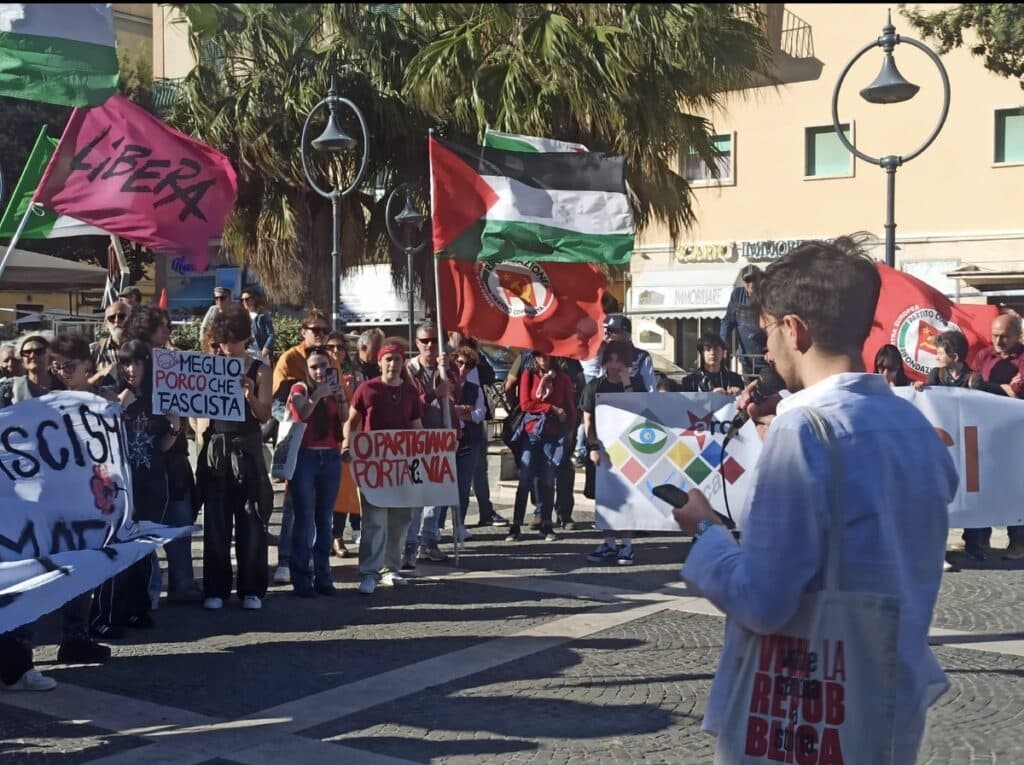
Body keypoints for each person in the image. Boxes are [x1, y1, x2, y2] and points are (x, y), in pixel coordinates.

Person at [673, 237, 957, 764]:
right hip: (889, 698)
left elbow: (764, 599)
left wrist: (708, 533)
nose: (764, 349)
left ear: (794, 328)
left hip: (810, 713)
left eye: (767, 332)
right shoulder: (915, 425)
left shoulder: (802, 430)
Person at [0, 333, 104, 694]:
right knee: (23, 582)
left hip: (62, 501)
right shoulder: (8, 391)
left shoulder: (66, 393)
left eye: (38, 352)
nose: (31, 357)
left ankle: (73, 637)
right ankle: (19, 663)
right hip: (19, 504)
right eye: (25, 352)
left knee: (70, 572)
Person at [90, 341, 181, 636]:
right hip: (119, 485)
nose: (131, 370)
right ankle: (105, 615)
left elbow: (163, 447)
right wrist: (119, 408)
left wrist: (175, 426)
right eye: (126, 364)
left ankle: (135, 609)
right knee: (117, 547)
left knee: (143, 547)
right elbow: (102, 443)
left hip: (152, 479)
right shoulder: (110, 394)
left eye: (137, 363)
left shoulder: (159, 397)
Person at [121, 306, 201, 605]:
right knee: (146, 528)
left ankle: (183, 584)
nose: (168, 331)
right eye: (162, 326)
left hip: (174, 458)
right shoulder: (130, 367)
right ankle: (149, 589)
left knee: (179, 524)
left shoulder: (173, 362)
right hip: (144, 465)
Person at [198, 305, 274, 610]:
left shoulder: (260, 369)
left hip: (247, 446)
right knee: (215, 520)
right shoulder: (211, 365)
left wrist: (250, 394)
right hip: (218, 446)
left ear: (246, 339)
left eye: (234, 341)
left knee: (250, 518)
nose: (228, 347)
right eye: (223, 341)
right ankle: (215, 588)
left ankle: (251, 588)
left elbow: (265, 413)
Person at [343, 343, 424, 594]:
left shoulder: (410, 392)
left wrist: (430, 448)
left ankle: (391, 569)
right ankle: (369, 572)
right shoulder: (367, 389)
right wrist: (347, 444)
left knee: (400, 520)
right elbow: (352, 422)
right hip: (373, 467)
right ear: (380, 362)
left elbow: (416, 426)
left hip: (401, 468)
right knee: (374, 521)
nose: (393, 364)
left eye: (397, 359)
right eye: (388, 359)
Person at [271, 309, 336, 584]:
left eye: (324, 330)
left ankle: (322, 571)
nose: (320, 335)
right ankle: (288, 561)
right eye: (315, 330)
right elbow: (278, 403)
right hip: (302, 446)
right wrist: (292, 427)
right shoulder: (289, 359)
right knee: (297, 509)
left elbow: (340, 406)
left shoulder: (332, 361)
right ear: (303, 332)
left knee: (323, 515)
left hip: (328, 451)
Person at [960, 313, 1024, 560]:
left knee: (1014, 487)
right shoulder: (983, 356)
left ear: (1018, 335)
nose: (998, 340)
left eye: (1004, 336)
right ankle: (980, 538)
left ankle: (1018, 542)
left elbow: (1018, 393)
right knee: (982, 485)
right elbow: (971, 384)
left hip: (1015, 436)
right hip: (983, 432)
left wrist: (989, 387)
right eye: (995, 335)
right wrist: (1004, 387)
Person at [286, 345, 347, 596]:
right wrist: (318, 394)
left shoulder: (332, 389)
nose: (320, 371)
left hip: (330, 456)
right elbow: (302, 412)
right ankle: (301, 578)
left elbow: (343, 418)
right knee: (304, 519)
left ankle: (324, 575)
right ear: (307, 369)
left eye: (323, 366)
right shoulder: (300, 389)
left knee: (325, 519)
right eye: (314, 367)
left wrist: (341, 396)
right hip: (306, 457)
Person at [583, 341, 645, 566]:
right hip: (603, 450)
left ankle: (627, 545)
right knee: (605, 498)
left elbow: (641, 411)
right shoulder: (594, 387)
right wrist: (592, 446)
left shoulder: (636, 384)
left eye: (620, 359)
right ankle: (608, 542)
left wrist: (627, 383)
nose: (615, 364)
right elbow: (587, 420)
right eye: (611, 359)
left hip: (630, 450)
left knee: (628, 498)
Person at [506, 350, 576, 542]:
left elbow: (570, 406)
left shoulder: (562, 379)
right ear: (535, 358)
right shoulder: (529, 375)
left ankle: (547, 523)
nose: (543, 360)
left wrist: (570, 430)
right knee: (525, 478)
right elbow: (526, 404)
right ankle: (516, 524)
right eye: (539, 356)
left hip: (553, 434)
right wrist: (550, 408)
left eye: (546, 356)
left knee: (547, 479)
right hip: (531, 433)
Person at [404, 323, 456, 565]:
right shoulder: (409, 370)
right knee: (417, 495)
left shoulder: (446, 368)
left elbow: (456, 397)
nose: (429, 345)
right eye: (425, 341)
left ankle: (429, 541)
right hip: (417, 438)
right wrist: (436, 392)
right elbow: (412, 404)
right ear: (417, 343)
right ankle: (410, 543)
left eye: (434, 340)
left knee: (437, 494)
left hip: (441, 436)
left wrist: (448, 373)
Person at [325, 331, 362, 555]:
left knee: (345, 489)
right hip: (323, 436)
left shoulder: (354, 375)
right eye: (331, 347)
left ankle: (337, 535)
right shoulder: (318, 372)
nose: (336, 351)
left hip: (347, 435)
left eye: (340, 347)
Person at [720, 264, 767, 375]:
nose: (751, 284)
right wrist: (723, 345)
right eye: (747, 280)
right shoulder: (737, 295)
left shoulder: (768, 295)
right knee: (748, 390)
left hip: (766, 359)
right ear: (742, 281)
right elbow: (728, 321)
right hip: (746, 359)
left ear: (760, 278)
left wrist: (772, 349)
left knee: (766, 389)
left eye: (754, 279)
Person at [913, 330, 979, 391]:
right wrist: (920, 387)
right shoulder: (936, 374)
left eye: (940, 353)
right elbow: (929, 395)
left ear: (955, 357)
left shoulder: (973, 380)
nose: (937, 358)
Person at [679, 333, 745, 393]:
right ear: (702, 354)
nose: (712, 353)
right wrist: (711, 396)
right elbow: (687, 404)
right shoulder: (691, 381)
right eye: (708, 349)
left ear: (723, 352)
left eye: (716, 349)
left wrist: (739, 393)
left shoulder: (734, 379)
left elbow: (743, 402)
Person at [90, 301, 130, 387]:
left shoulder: (142, 349)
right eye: (111, 318)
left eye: (122, 316)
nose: (116, 320)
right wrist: (100, 374)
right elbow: (84, 384)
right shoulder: (95, 350)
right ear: (106, 323)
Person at [242, 287, 276, 363]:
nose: (244, 302)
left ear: (254, 299)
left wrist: (266, 347)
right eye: (242, 300)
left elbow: (271, 334)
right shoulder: (242, 316)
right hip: (246, 351)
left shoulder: (262, 315)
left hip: (260, 352)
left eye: (247, 299)